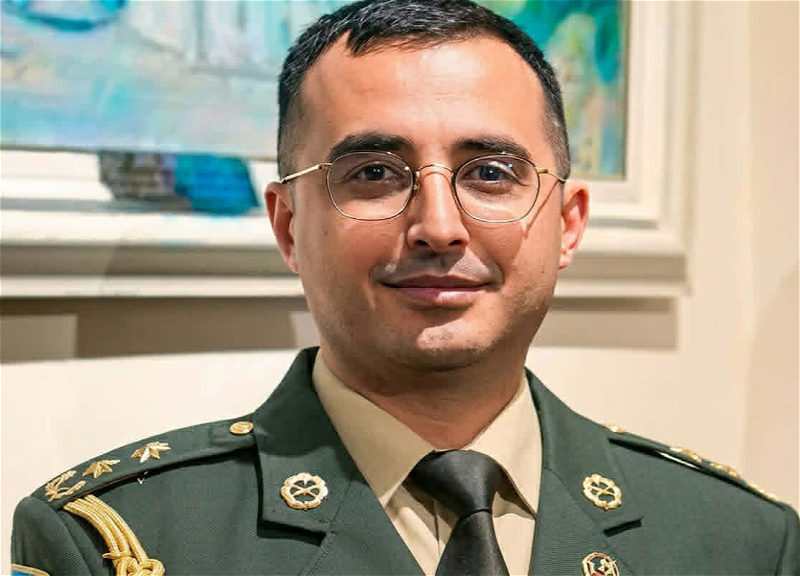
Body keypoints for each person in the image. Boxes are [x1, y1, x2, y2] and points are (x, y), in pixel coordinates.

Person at [10, 1, 799, 574]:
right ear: (289, 226)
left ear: (567, 224)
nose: (439, 227)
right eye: (374, 174)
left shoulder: (740, 542)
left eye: (491, 173)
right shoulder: (117, 542)